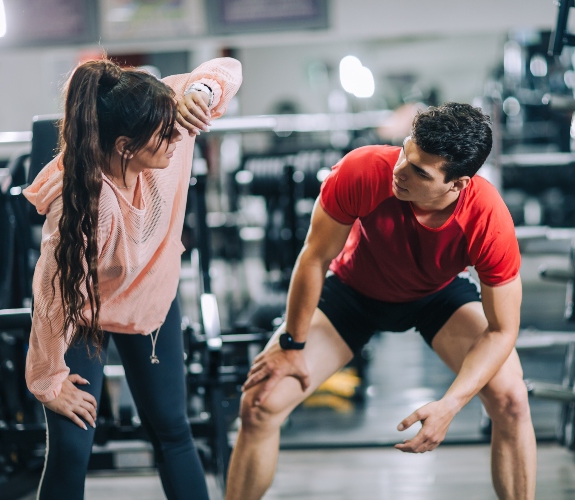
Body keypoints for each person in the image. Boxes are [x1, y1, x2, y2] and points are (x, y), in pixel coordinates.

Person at [226, 104, 536, 500]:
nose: (400, 170)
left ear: (456, 185)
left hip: (436, 297)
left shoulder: (487, 219)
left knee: (511, 401)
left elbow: (502, 329)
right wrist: (291, 343)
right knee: (259, 403)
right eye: (406, 151)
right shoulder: (363, 169)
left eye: (420, 171)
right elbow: (314, 258)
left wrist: (451, 403)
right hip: (353, 291)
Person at [23, 56, 242, 500]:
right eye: (165, 135)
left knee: (173, 431)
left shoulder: (169, 132)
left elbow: (228, 67)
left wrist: (201, 93)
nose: (178, 139)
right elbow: (52, 298)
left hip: (151, 298)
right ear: (126, 146)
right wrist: (48, 381)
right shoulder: (86, 206)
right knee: (70, 447)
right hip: (84, 314)